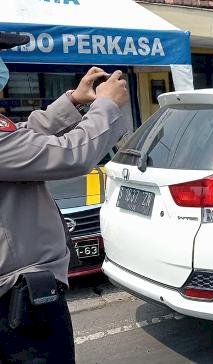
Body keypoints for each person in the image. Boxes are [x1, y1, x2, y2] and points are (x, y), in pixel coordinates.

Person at [0, 32, 129, 363]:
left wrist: (72, 102)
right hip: (16, 298)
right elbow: (72, 154)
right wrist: (105, 105)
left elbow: (24, 138)